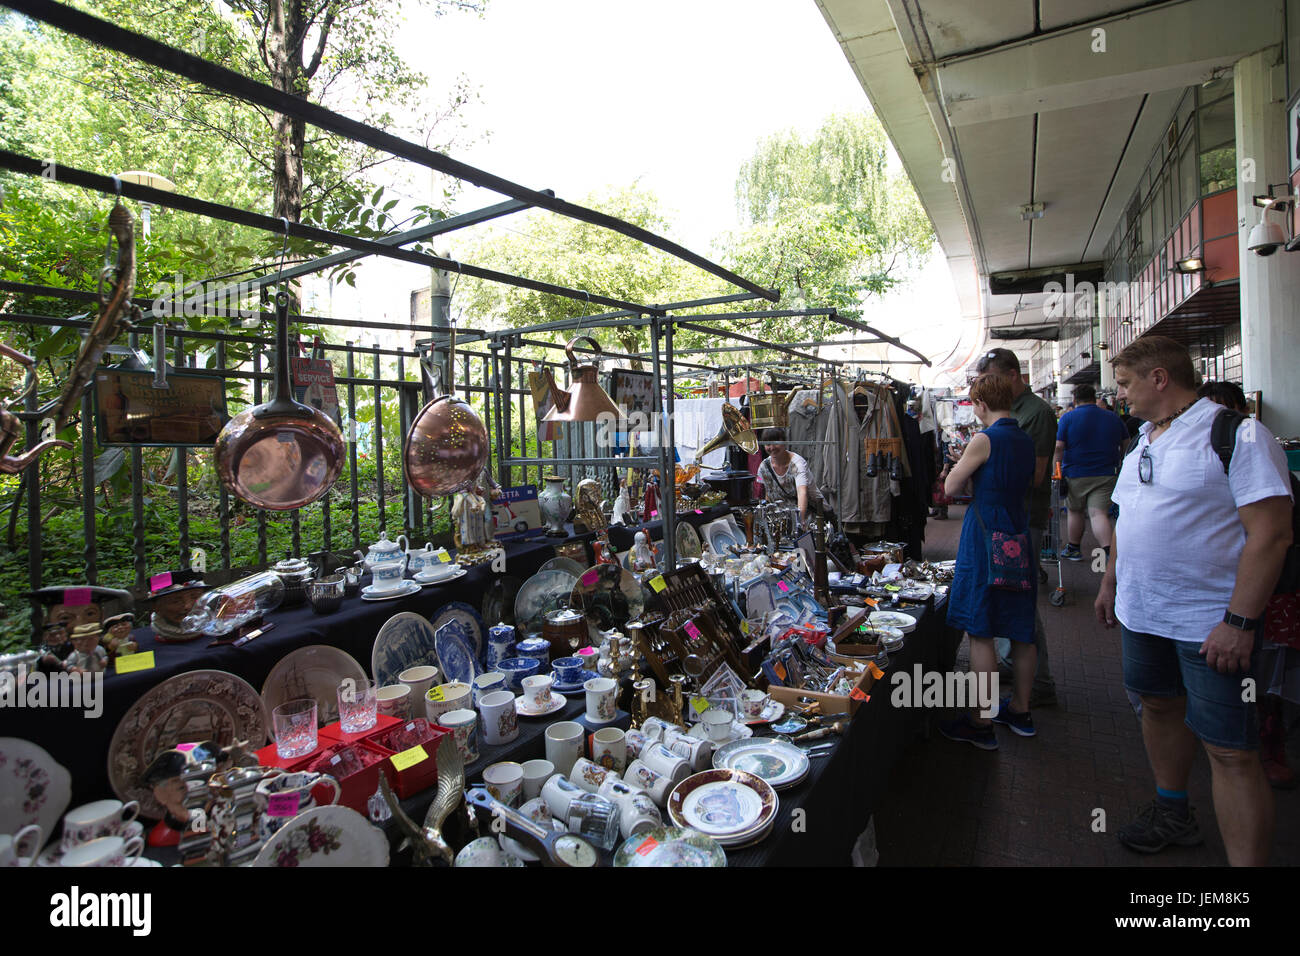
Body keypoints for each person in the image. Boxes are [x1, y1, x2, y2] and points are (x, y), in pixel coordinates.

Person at [1095, 336, 1292, 864]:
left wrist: (1240, 622)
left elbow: (1271, 535)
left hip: (1211, 624)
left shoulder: (1238, 435)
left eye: (1125, 383)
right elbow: (1124, 519)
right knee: (1158, 707)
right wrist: (1112, 582)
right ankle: (1173, 810)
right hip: (1144, 615)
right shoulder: (1142, 440)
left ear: (1160, 378)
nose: (1120, 395)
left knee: (1230, 751)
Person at [1197, 380, 1298, 789]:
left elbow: (1277, 537)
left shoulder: (1255, 450)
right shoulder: (1192, 458)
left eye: (1221, 412)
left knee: (1266, 680)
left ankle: (1266, 749)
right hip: (1217, 594)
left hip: (1269, 594)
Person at [939, 373, 1038, 749]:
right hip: (1017, 536)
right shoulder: (1024, 438)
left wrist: (957, 466)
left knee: (981, 629)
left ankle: (981, 723)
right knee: (1021, 630)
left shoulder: (985, 438)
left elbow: (951, 489)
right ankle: (1021, 712)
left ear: (980, 404)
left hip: (984, 537)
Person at [974, 348, 1059, 707]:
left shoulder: (1035, 413)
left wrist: (985, 464)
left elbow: (1037, 474)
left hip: (1021, 520)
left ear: (1012, 375)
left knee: (1021, 602)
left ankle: (1039, 682)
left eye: (992, 380)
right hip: (1005, 520)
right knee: (1010, 596)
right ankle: (1015, 670)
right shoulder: (1010, 415)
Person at [1053, 383, 1129, 562]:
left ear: (1075, 399)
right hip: (1106, 472)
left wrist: (1056, 470)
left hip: (1075, 472)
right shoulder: (1112, 417)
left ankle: (1074, 549)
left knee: (1075, 511)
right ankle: (1108, 553)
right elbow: (1126, 443)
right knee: (1099, 514)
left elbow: (1058, 447)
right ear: (1094, 397)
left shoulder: (1067, 418)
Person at [757, 427, 823, 529]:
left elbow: (802, 492)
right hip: (780, 522)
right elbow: (768, 494)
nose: (772, 447)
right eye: (768, 444)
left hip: (807, 517)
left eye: (775, 443)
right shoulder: (764, 467)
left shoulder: (797, 464)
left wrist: (800, 521)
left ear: (785, 442)